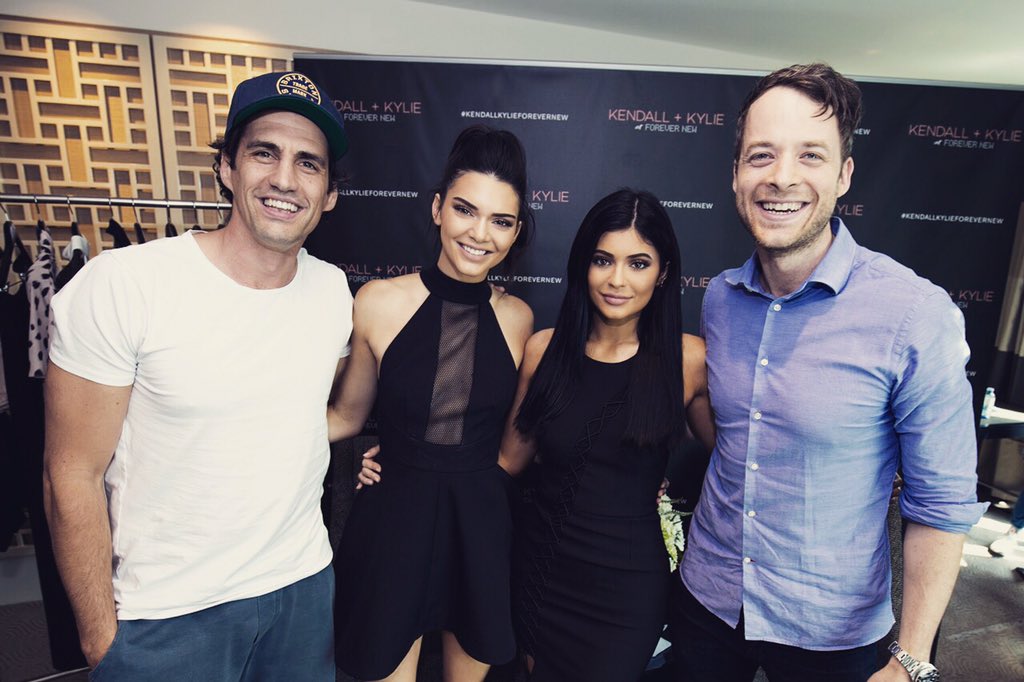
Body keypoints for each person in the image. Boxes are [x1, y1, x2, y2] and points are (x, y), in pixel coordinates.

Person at [669, 63, 988, 682]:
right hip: (707, 599)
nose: (781, 177)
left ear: (844, 175)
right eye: (761, 155)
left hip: (831, 634)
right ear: (735, 174)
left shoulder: (915, 315)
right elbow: (736, 440)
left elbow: (942, 507)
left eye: (810, 155)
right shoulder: (720, 299)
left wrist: (911, 660)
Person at [43, 71, 351, 680]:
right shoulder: (125, 284)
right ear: (227, 167)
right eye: (264, 152)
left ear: (329, 193)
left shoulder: (333, 290)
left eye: (308, 163)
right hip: (167, 613)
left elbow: (299, 415)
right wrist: (102, 641)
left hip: (302, 590)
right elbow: (70, 474)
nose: (284, 179)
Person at [327, 125, 535, 682]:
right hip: (394, 519)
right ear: (439, 208)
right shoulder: (377, 301)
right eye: (466, 210)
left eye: (501, 221)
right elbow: (347, 416)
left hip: (480, 527)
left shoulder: (520, 319)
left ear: (516, 232)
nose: (480, 233)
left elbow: (517, 443)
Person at [502, 188, 714, 681]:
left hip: (626, 591)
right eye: (603, 260)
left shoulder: (688, 361)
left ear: (663, 273)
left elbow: (738, 463)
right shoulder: (544, 350)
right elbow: (505, 463)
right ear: (584, 265)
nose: (617, 280)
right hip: (542, 573)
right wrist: (411, 460)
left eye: (638, 263)